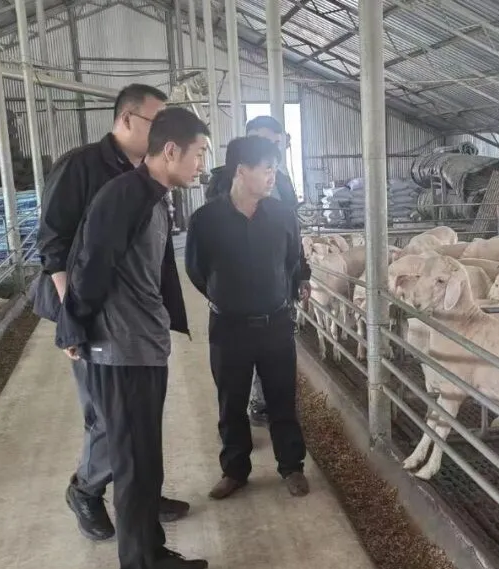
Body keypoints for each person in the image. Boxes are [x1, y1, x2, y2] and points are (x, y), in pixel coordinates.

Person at [55, 107, 211, 569]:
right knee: (132, 470)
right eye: (198, 153)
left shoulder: (153, 197)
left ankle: (154, 555)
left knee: (148, 467)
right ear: (170, 150)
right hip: (118, 353)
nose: (201, 164)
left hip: (142, 348)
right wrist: (74, 327)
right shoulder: (124, 196)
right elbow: (89, 263)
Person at [31, 83, 191, 542]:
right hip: (92, 315)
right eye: (155, 122)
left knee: (138, 418)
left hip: (134, 317)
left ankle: (140, 493)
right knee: (107, 416)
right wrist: (73, 321)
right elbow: (54, 245)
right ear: (125, 119)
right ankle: (86, 489)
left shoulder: (148, 172)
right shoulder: (82, 167)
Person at [185, 136, 311, 500]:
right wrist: (226, 298)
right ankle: (235, 470)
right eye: (267, 169)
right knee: (231, 401)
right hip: (229, 327)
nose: (273, 176)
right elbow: (196, 270)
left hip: (276, 323)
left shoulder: (283, 216)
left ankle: (291, 466)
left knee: (282, 398)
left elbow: (293, 260)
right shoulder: (206, 220)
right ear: (241, 171)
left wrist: (290, 286)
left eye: (275, 168)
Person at [204, 115, 306, 428]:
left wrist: (298, 275)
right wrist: (221, 289)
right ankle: (236, 424)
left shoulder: (282, 182)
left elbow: (293, 234)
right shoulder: (221, 182)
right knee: (234, 370)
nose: (272, 149)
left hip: (276, 293)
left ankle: (264, 405)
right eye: (264, 141)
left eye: (276, 143)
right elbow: (201, 259)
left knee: (275, 362)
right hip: (233, 300)